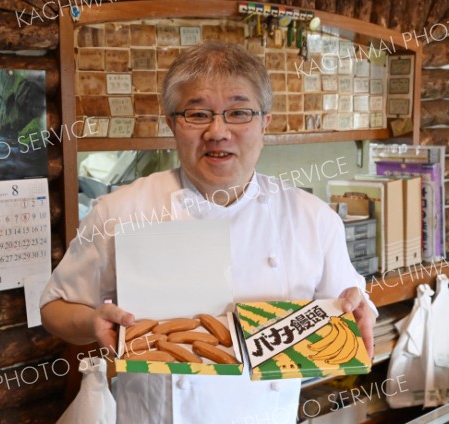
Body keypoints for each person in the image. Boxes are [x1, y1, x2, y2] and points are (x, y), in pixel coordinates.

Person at [41, 40, 377, 423]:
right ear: (171, 123)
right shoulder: (120, 211)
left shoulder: (314, 220)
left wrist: (357, 312)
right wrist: (91, 323)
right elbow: (55, 307)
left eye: (238, 112)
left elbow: (348, 310)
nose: (218, 131)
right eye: (197, 114)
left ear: (265, 122)